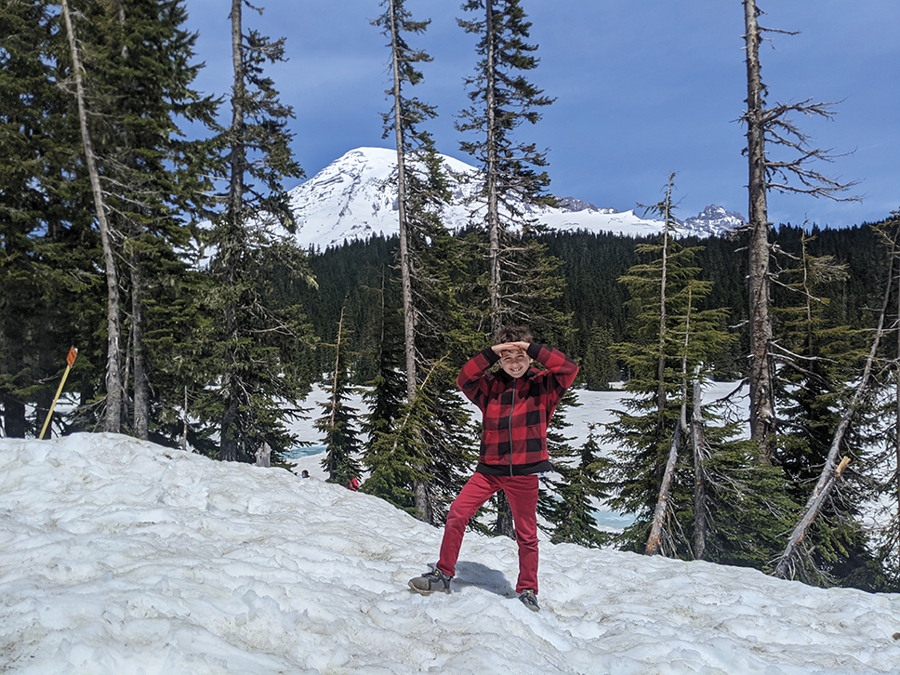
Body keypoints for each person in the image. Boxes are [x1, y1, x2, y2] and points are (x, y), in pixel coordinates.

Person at [408, 326, 578, 612]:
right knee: (457, 513)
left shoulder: (544, 385)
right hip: (488, 471)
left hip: (525, 472)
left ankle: (527, 590)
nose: (514, 362)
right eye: (507, 356)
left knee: (526, 534)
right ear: (499, 359)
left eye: (520, 355)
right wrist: (490, 353)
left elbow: (569, 369)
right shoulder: (489, 386)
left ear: (531, 357)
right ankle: (444, 574)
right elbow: (464, 378)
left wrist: (531, 347)